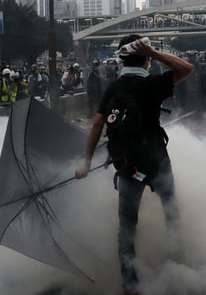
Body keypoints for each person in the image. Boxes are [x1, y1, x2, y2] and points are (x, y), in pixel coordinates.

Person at [75, 34, 194, 294]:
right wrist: (156, 52)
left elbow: (97, 124)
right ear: (146, 59)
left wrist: (86, 163)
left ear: (121, 59)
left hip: (128, 166)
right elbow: (186, 68)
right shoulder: (153, 84)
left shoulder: (114, 88)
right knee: (171, 213)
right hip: (157, 161)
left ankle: (130, 284)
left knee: (127, 226)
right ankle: (177, 265)